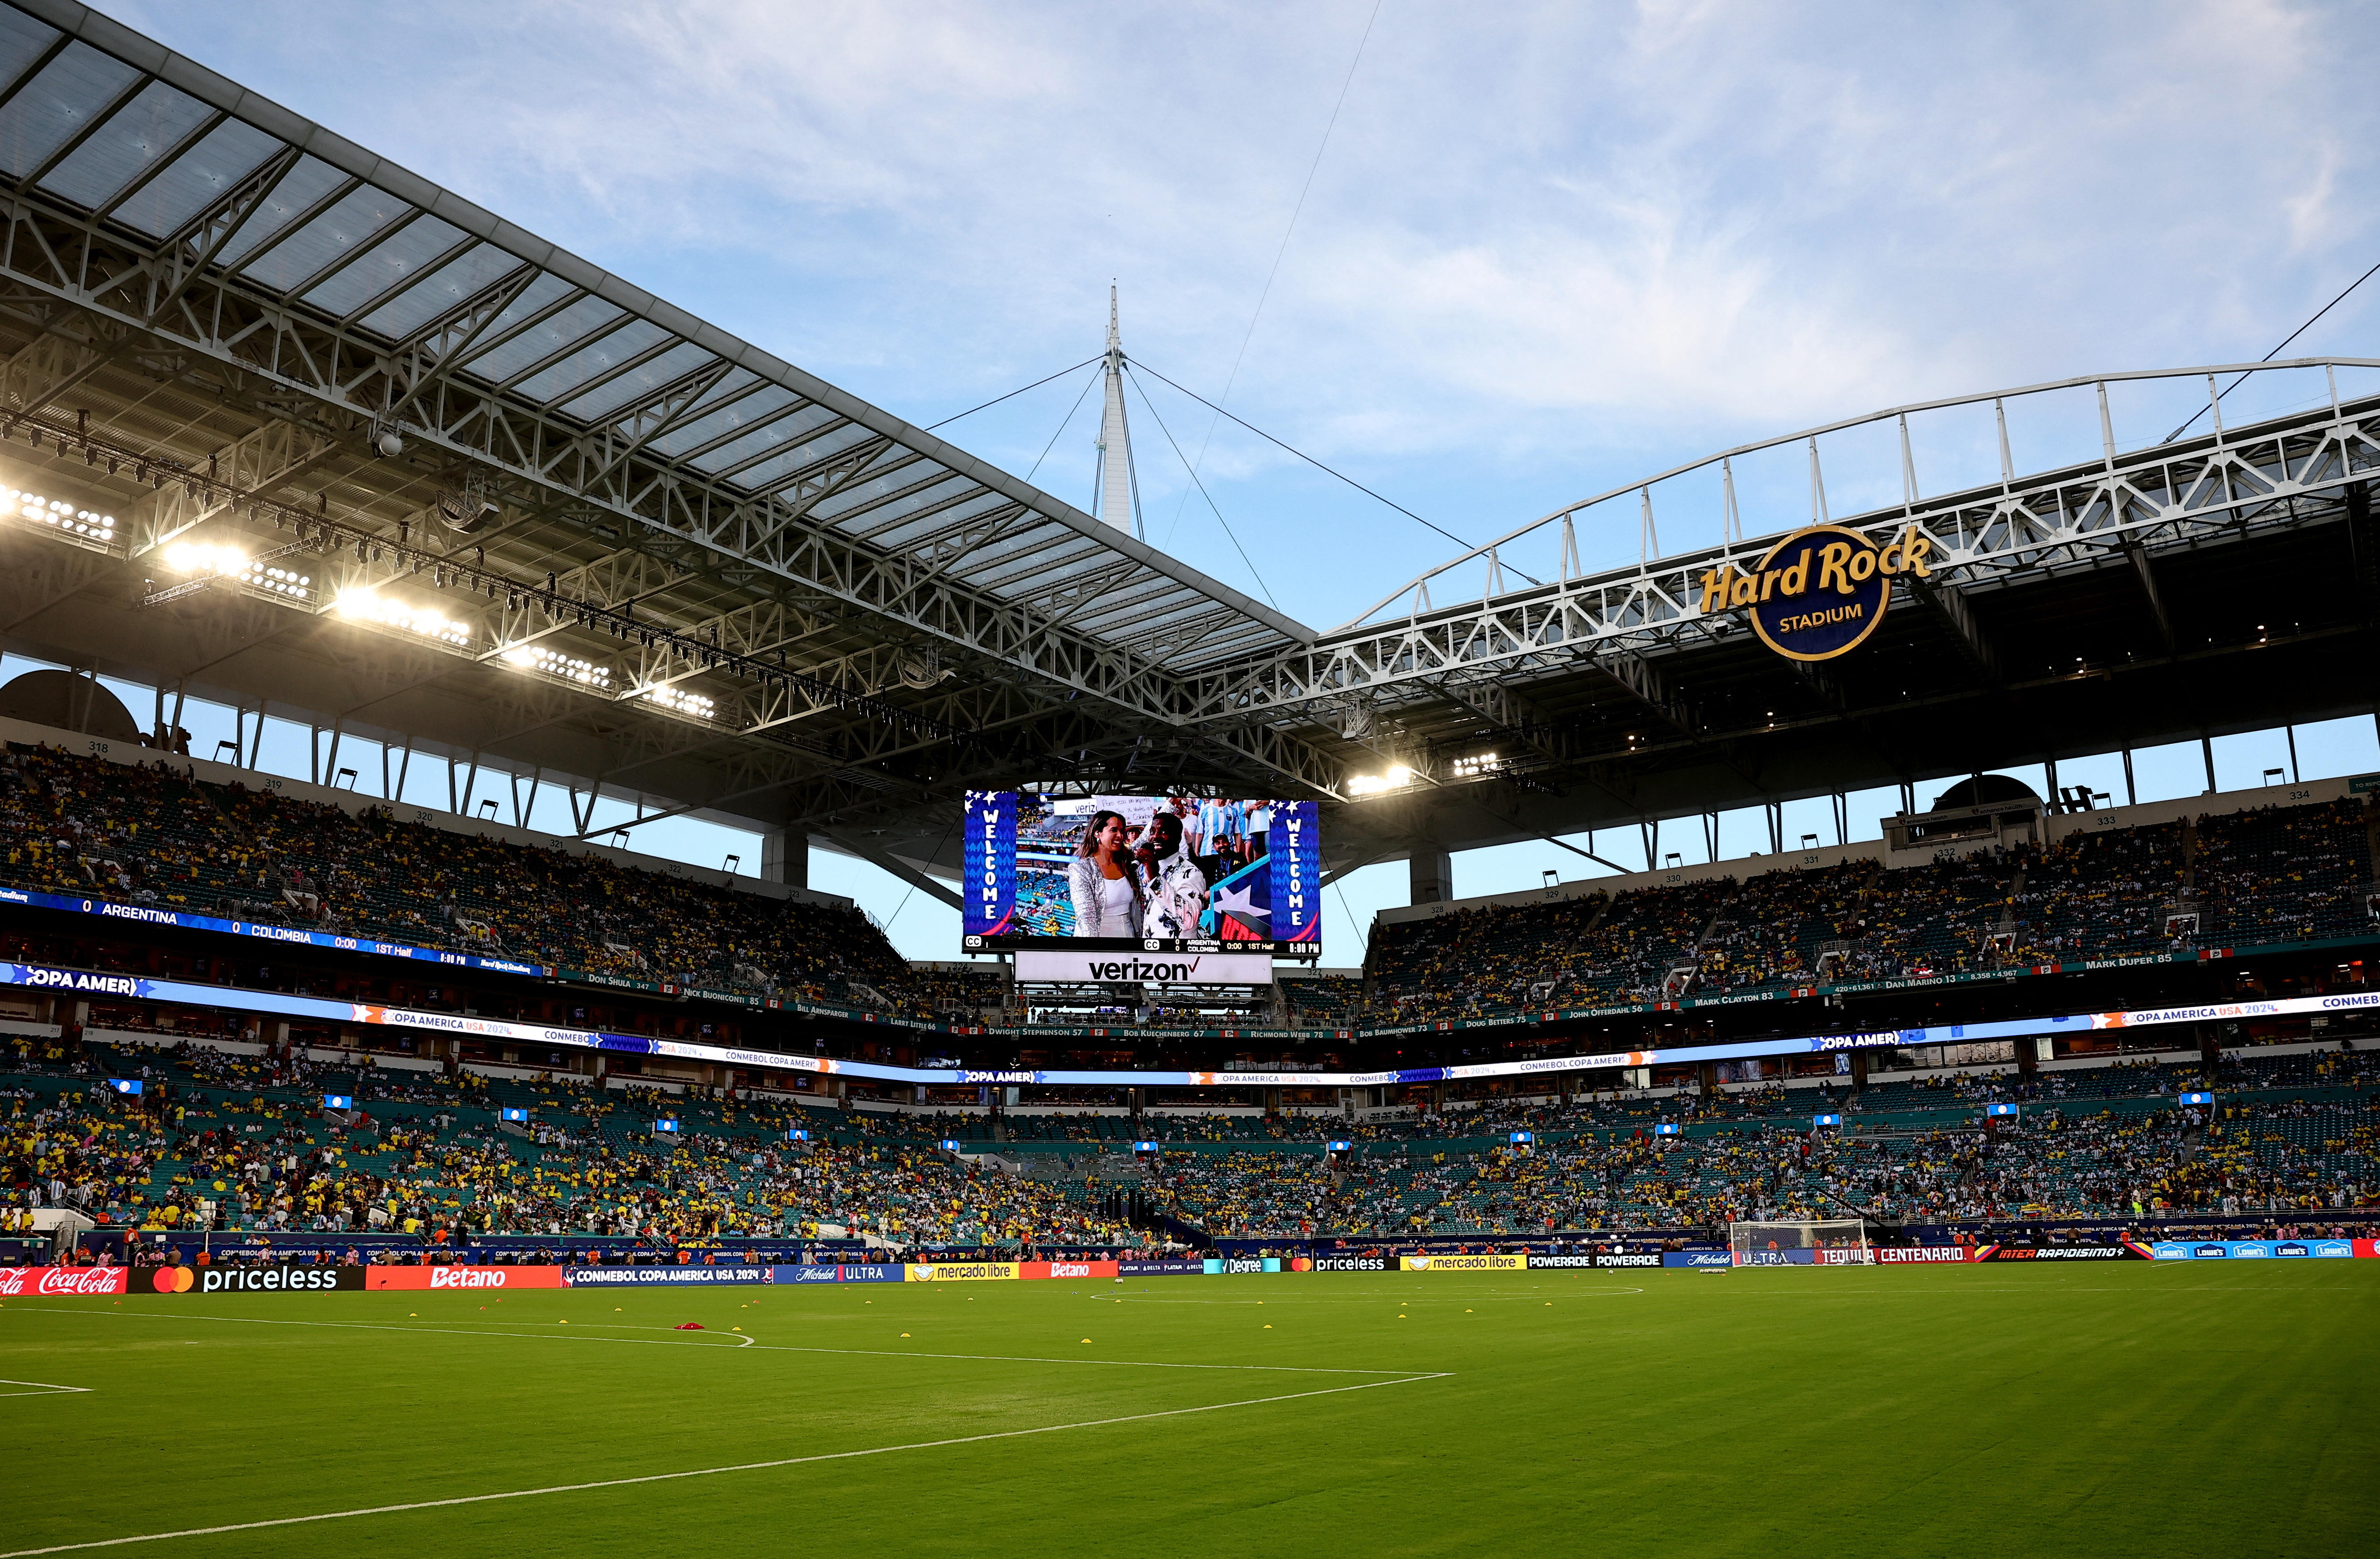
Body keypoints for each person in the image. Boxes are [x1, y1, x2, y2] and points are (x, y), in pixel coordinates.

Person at [1067, 810, 1145, 938]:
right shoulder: (1081, 869)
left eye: (1122, 831)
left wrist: (1171, 804)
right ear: (1097, 832)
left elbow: (1145, 838)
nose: (1120, 835)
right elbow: (1086, 916)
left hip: (1129, 934)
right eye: (1114, 830)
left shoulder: (1126, 862)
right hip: (1100, 939)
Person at [1139, 813, 1209, 942]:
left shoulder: (1192, 873)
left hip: (1178, 957)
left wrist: (1155, 879)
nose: (1155, 837)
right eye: (1153, 831)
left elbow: (1188, 920)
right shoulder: (1155, 868)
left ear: (1177, 837)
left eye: (1163, 832)